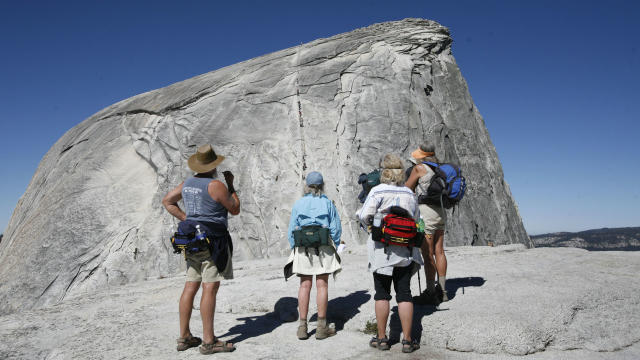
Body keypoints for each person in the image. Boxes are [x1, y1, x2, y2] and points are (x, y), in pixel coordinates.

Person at [162, 144, 240, 354]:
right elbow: (234, 209)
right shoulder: (216, 185)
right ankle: (208, 341)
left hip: (191, 240)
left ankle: (184, 336)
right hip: (212, 241)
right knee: (209, 287)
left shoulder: (187, 184)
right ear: (214, 165)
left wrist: (187, 219)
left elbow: (167, 201)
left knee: (190, 285)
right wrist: (231, 186)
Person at [359, 154, 422, 353]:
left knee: (382, 294)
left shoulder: (377, 191)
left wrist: (371, 225)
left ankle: (382, 338)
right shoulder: (409, 193)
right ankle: (408, 340)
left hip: (382, 250)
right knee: (404, 293)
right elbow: (417, 219)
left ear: (383, 172)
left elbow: (364, 215)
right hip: (405, 250)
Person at [285, 171, 342, 340]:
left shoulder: (299, 204)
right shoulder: (328, 204)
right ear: (322, 186)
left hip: (303, 247)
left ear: (307, 186)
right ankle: (321, 327)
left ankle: (302, 327)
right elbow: (336, 229)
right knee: (322, 285)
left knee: (304, 285)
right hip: (323, 246)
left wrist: (295, 247)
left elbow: (291, 229)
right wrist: (336, 245)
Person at [405, 143, 449, 302]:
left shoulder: (420, 168)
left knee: (427, 252)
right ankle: (443, 290)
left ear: (422, 156)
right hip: (440, 212)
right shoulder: (440, 168)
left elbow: (407, 188)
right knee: (440, 251)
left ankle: (430, 292)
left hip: (425, 214)